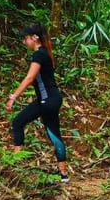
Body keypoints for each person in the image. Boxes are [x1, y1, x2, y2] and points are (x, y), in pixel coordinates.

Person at [5, 24, 69, 182]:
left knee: (18, 122)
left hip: (47, 100)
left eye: (26, 38)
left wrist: (13, 97)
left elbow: (30, 78)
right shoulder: (45, 53)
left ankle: (16, 165)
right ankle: (63, 174)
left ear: (35, 38)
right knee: (54, 134)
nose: (24, 41)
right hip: (51, 99)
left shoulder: (39, 55)